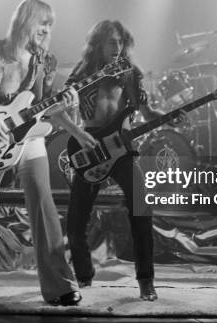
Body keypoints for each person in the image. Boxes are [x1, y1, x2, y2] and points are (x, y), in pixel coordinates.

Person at [0, 0, 81, 306]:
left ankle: (61, 286)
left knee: (42, 201)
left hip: (29, 137)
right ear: (25, 20)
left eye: (51, 25)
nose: (47, 30)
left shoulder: (46, 62)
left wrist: (67, 106)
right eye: (43, 22)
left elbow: (46, 106)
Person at [50, 20, 161, 301]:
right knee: (76, 224)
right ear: (98, 44)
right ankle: (84, 275)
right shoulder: (84, 72)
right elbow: (56, 109)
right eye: (111, 41)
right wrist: (77, 131)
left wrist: (165, 116)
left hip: (121, 149)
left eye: (121, 42)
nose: (117, 46)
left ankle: (146, 280)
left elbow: (146, 112)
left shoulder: (131, 74)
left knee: (142, 207)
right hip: (89, 147)